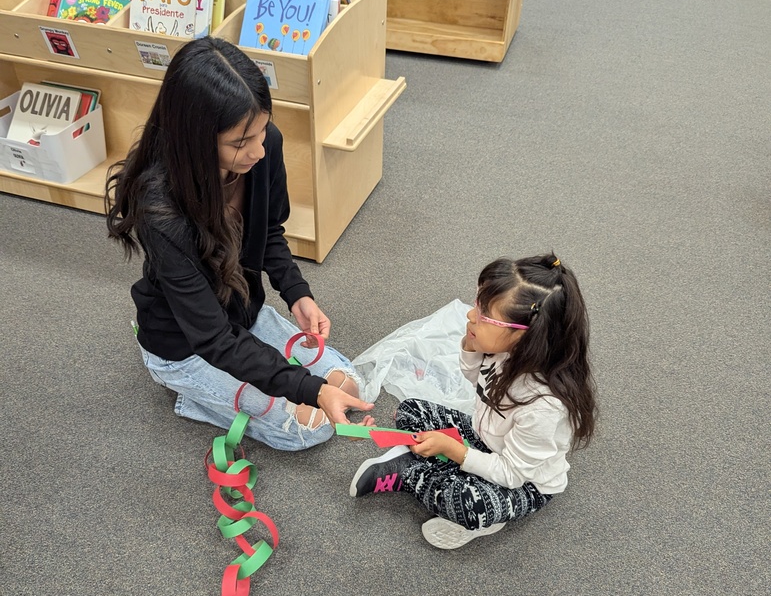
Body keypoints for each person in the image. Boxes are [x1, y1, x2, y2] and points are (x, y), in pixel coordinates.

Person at [105, 36, 373, 451]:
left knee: (349, 380)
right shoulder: (161, 208)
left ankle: (242, 386)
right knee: (311, 426)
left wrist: (297, 292)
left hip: (242, 313)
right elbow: (213, 340)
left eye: (262, 130)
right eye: (239, 143)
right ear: (194, 138)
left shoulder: (266, 147)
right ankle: (179, 384)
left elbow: (268, 232)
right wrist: (311, 391)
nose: (259, 151)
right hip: (187, 344)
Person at [349, 254, 596, 549]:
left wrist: (453, 451)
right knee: (411, 409)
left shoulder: (544, 406)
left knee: (469, 504)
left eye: (483, 315)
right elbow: (475, 379)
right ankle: (431, 463)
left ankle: (408, 473)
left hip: (525, 483)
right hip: (485, 437)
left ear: (527, 336)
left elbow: (511, 474)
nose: (470, 316)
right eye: (476, 305)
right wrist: (471, 346)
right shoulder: (506, 352)